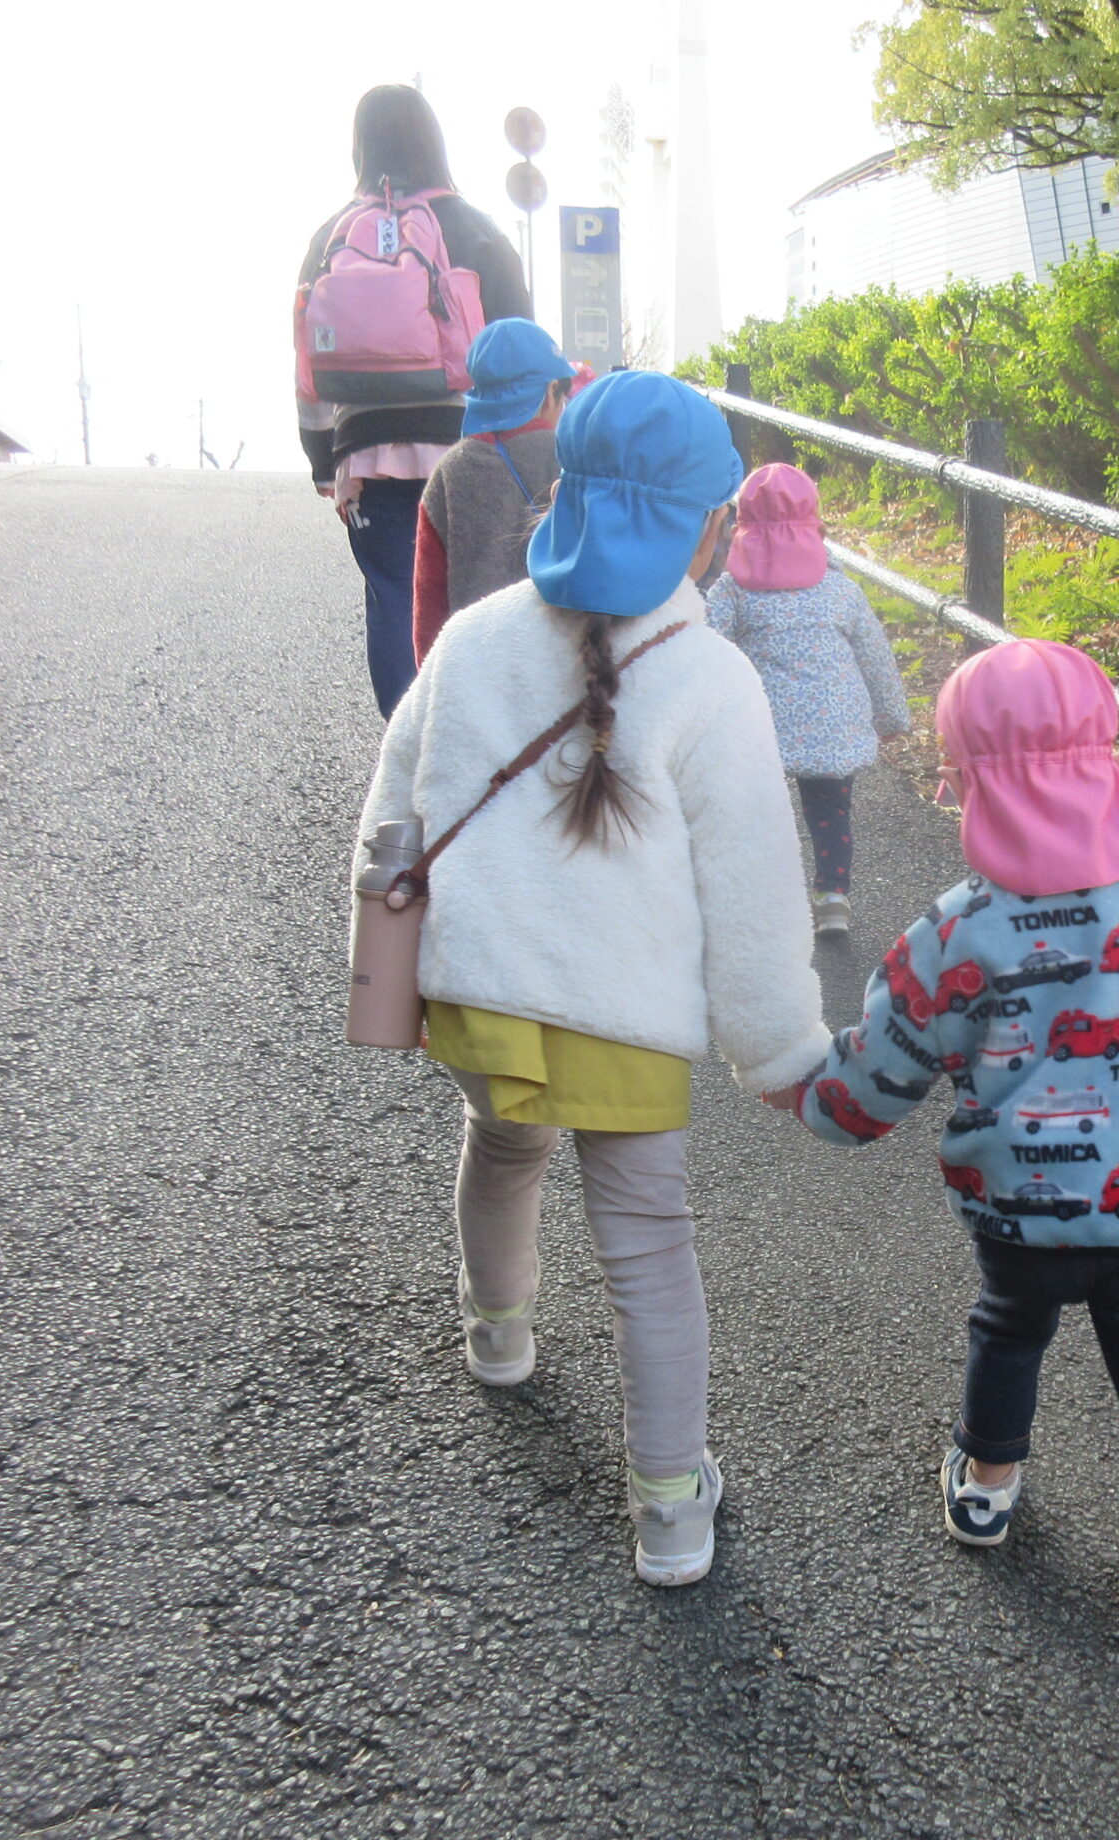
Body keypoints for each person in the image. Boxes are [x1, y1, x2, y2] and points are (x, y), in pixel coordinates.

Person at [354, 370, 831, 1587]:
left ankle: (497, 1334)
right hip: (623, 1017)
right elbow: (753, 888)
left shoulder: (472, 639)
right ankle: (668, 1507)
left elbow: (391, 814)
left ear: (564, 495)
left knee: (501, 1146)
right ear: (706, 528)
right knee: (647, 1247)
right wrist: (779, 1049)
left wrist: (381, 963)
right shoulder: (710, 679)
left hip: (479, 998)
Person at [770, 638, 1119, 1670]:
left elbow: (880, 1072)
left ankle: (987, 1484)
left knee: (1007, 1329)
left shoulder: (958, 932)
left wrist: (809, 1096)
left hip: (1019, 1214)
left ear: (970, 783)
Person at [297, 84, 531, 717]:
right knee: (484, 601)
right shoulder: (476, 231)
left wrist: (324, 460)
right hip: (470, 448)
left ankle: (408, 755)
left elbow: (308, 370)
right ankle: (482, 750)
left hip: (368, 455)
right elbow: (523, 352)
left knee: (396, 601)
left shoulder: (330, 239)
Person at [704, 463, 911, 937]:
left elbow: (707, 646)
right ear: (817, 526)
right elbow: (875, 657)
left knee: (759, 813)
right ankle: (833, 896)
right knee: (831, 813)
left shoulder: (732, 591)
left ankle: (763, 899)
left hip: (760, 728)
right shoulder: (841, 589)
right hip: (831, 727)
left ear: (740, 527)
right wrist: (890, 717)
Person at [412, 319, 573, 663]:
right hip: (560, 663)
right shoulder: (572, 461)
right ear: (550, 392)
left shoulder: (450, 471)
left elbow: (430, 596)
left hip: (474, 663)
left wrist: (433, 674)